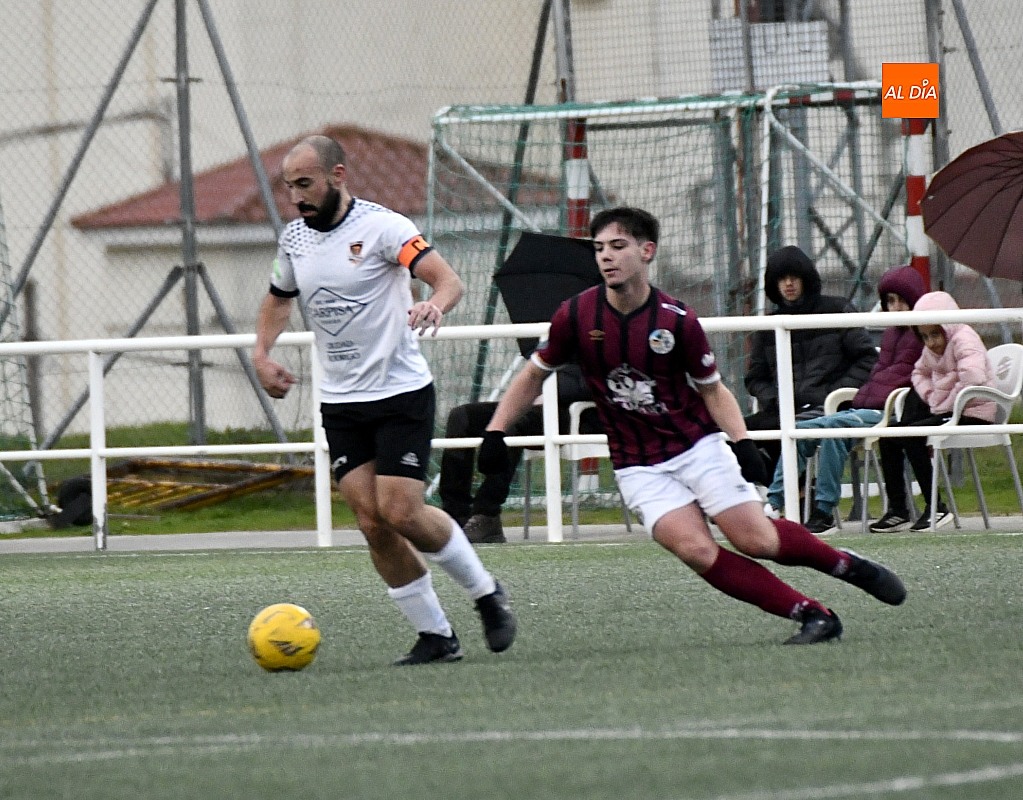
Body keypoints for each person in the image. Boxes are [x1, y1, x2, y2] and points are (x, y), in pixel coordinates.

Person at [478, 206, 905, 645]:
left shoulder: (676, 320)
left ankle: (844, 564)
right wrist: (496, 430)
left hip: (696, 447)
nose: (606, 257)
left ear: (647, 252)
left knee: (757, 541)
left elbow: (713, 389)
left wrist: (742, 444)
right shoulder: (576, 316)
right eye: (600, 248)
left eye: (618, 246)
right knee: (697, 550)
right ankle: (812, 615)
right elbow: (533, 374)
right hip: (636, 464)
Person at [253, 135, 515, 666]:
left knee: (401, 511)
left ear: (338, 175)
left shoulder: (384, 227)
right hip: (341, 403)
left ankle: (486, 594)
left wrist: (436, 305)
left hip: (399, 394)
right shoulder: (294, 240)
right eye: (289, 187)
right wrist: (261, 355)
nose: (297, 197)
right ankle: (437, 636)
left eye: (306, 184)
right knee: (372, 523)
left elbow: (448, 280)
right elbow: (278, 301)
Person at [764, 265, 926, 534]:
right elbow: (880, 376)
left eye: (901, 301)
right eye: (889, 302)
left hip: (891, 411)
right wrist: (862, 396)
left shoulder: (922, 333)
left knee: (833, 432)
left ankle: (824, 511)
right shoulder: (890, 335)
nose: (895, 308)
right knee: (798, 431)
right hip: (867, 407)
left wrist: (872, 398)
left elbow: (909, 379)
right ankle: (773, 503)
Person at [744, 246, 878, 477]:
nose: (788, 283)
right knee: (730, 437)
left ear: (806, 278)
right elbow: (755, 378)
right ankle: (797, 489)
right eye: (782, 278)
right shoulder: (769, 326)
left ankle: (802, 494)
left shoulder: (836, 311)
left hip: (828, 407)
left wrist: (832, 393)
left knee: (783, 430)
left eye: (794, 277)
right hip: (782, 409)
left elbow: (867, 359)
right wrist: (775, 399)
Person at [871, 291, 997, 532]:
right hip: (948, 409)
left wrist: (943, 401)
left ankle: (936, 508)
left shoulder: (964, 340)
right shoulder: (931, 348)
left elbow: (974, 377)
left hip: (974, 411)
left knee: (912, 434)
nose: (931, 343)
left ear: (946, 327)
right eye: (925, 336)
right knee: (889, 436)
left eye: (935, 334)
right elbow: (919, 373)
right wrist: (931, 395)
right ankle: (898, 509)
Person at [439, 361, 601, 544]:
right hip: (537, 404)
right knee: (461, 417)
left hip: (573, 413)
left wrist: (549, 389)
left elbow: (592, 383)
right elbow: (532, 360)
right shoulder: (551, 344)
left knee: (510, 424)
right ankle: (454, 515)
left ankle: (486, 513)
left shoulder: (596, 339)